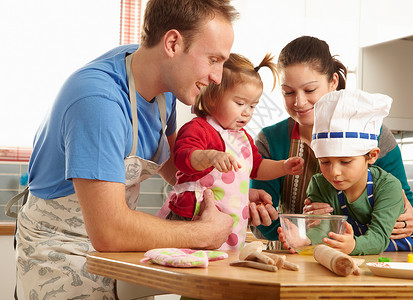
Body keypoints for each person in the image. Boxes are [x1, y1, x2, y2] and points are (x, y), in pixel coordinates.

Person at [13, 1, 277, 299]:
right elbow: (109, 230)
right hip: (62, 252)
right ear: (173, 43)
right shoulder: (98, 101)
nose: (218, 76)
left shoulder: (164, 84)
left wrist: (233, 194)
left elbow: (179, 170)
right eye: (213, 59)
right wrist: (205, 234)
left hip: (119, 249)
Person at [250, 36, 413, 248]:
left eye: (310, 90)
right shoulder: (271, 140)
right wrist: (302, 225)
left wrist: (408, 221)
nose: (299, 102)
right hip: (295, 256)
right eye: (288, 92)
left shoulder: (374, 135)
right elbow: (262, 226)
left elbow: (412, 213)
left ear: (333, 82)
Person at [157, 53, 303, 250]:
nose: (247, 112)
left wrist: (283, 166)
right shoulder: (199, 129)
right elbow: (182, 158)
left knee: (224, 259)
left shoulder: (242, 137)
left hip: (231, 221)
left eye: (253, 106)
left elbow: (257, 167)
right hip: (193, 217)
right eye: (240, 103)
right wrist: (210, 156)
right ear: (212, 96)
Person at [298, 89, 413, 255]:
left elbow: (379, 237)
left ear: (371, 156)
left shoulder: (388, 186)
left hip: (391, 259)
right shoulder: (320, 184)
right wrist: (304, 240)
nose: (334, 172)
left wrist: (353, 245)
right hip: (345, 256)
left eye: (346, 161)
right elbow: (322, 229)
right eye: (325, 162)